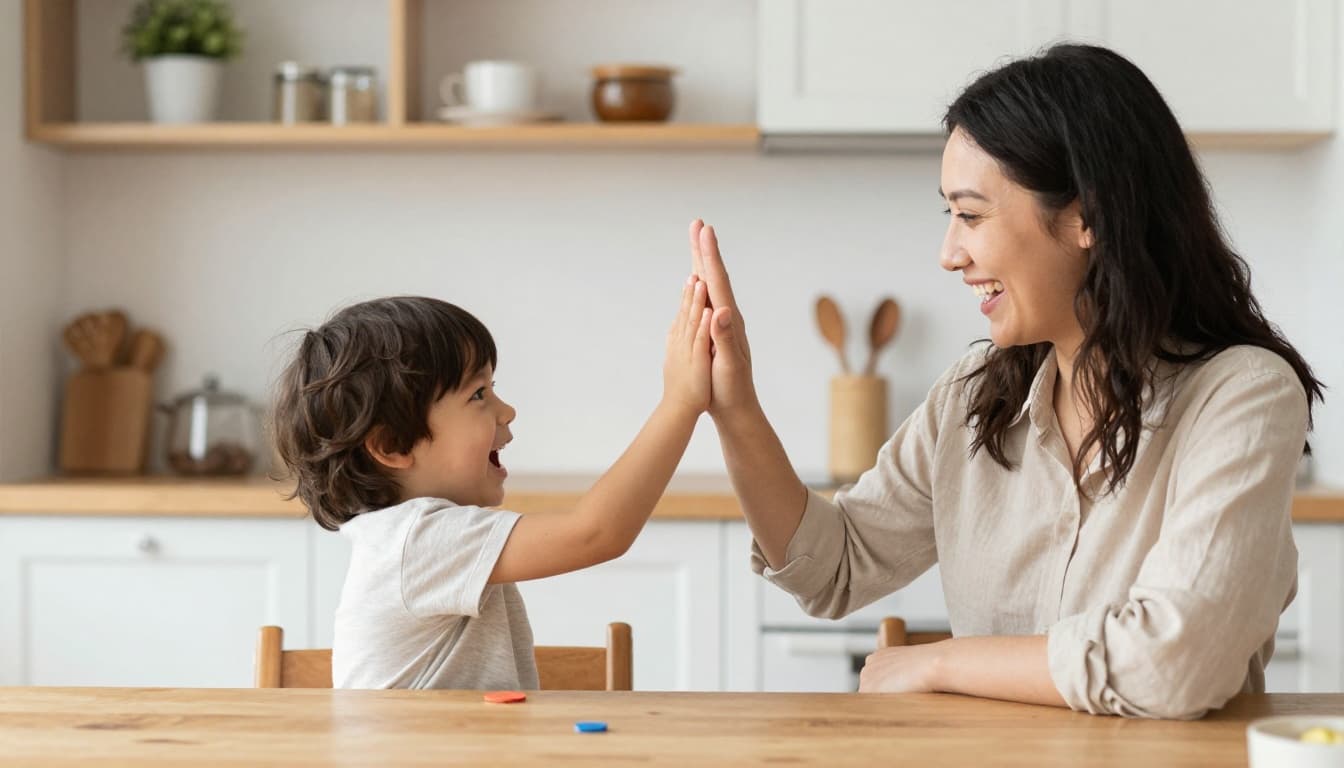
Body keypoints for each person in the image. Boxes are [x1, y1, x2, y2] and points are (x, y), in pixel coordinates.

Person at [688, 43, 1323, 719]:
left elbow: (1171, 666)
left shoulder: (1243, 394)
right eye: (949, 215)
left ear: (1088, 217)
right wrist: (737, 408)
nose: (949, 253)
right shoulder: (972, 398)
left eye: (971, 214)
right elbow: (832, 568)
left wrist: (938, 660)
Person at [272, 290, 712, 689]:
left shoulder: (411, 536)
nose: (508, 410)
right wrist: (680, 401)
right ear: (392, 445)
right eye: (478, 395)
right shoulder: (416, 541)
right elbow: (596, 533)